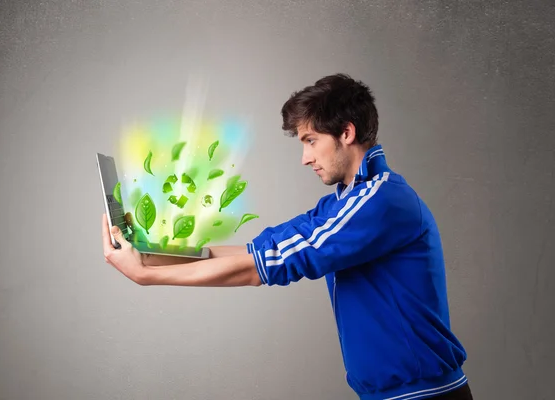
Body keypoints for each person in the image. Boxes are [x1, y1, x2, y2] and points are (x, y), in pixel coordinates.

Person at [101, 73, 473, 400]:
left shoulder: (382, 201)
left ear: (347, 132)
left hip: (424, 397)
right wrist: (149, 253)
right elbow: (255, 251)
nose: (304, 157)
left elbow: (265, 267)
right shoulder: (342, 207)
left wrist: (146, 276)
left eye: (310, 140)